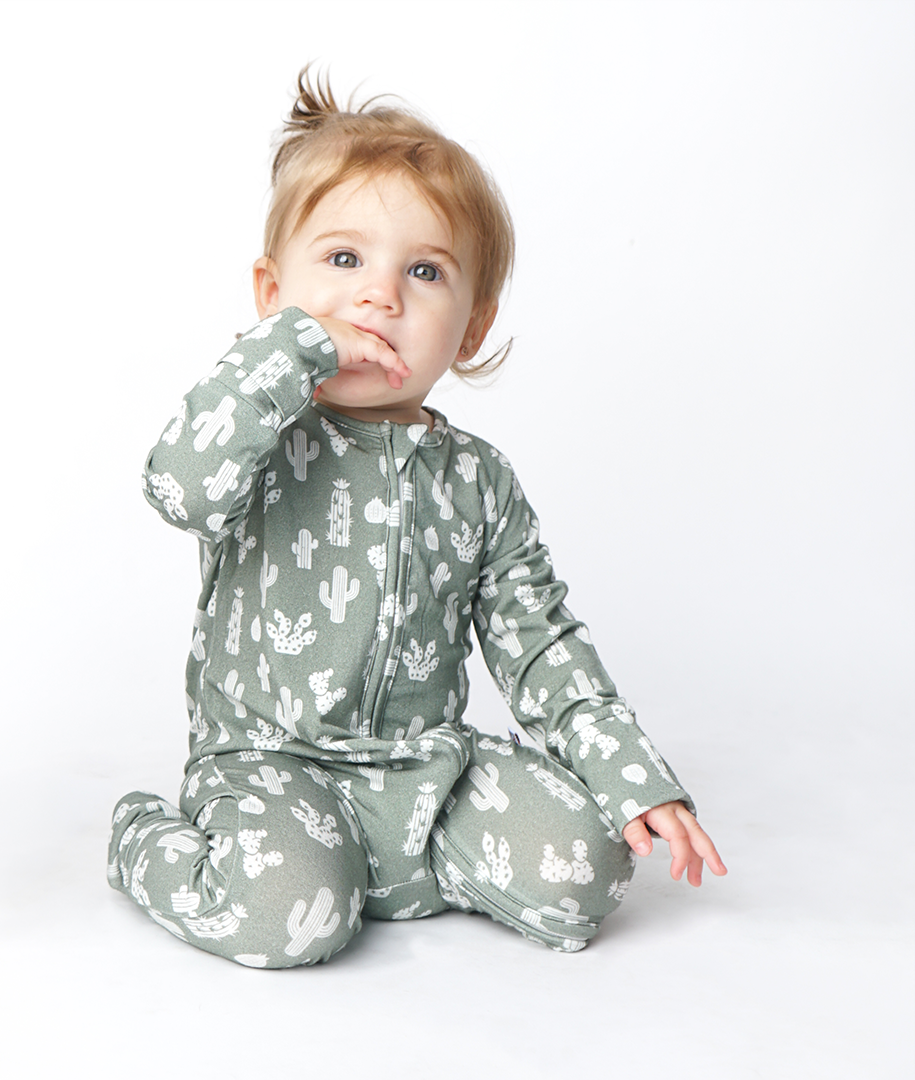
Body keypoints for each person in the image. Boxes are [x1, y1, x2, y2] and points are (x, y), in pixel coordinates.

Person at [107, 69, 725, 969]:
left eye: (424, 272)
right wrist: (291, 348)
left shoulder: (478, 480)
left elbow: (539, 645)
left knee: (585, 871)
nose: (379, 297)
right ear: (272, 289)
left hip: (421, 768)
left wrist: (631, 779)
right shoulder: (263, 436)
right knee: (288, 920)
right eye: (344, 260)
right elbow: (178, 486)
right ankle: (145, 842)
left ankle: (382, 864)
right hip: (273, 762)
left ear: (470, 330)